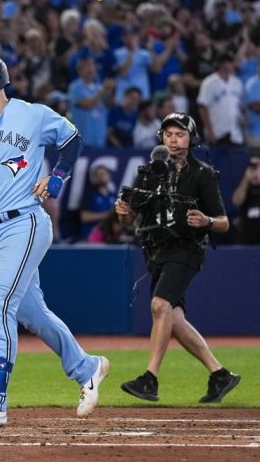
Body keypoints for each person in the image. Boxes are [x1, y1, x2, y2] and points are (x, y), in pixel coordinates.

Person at [0, 54, 109, 426]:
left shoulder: (33, 114)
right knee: (31, 312)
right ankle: (87, 367)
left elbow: (73, 140)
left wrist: (58, 176)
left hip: (24, 221)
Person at [116, 112, 241, 403]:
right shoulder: (147, 172)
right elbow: (129, 220)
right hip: (156, 250)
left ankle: (150, 379)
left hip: (186, 249)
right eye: (169, 134)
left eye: (180, 134)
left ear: (191, 139)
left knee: (159, 305)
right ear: (161, 138)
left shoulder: (203, 174)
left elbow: (224, 222)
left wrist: (207, 220)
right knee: (173, 317)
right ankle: (220, 374)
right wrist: (124, 213)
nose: (173, 140)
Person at [231, 155, 260, 244]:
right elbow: (236, 201)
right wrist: (246, 179)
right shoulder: (245, 185)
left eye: (257, 165)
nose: (254, 168)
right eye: (252, 166)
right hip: (247, 239)